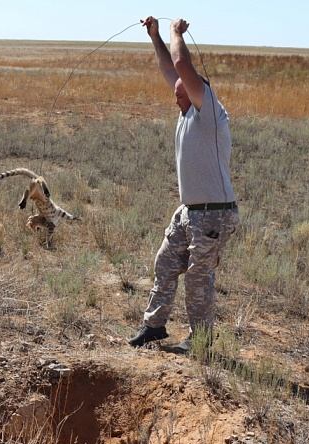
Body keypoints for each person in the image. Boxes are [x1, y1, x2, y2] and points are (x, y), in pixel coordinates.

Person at [128, 17, 239, 350]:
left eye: (181, 93)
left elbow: (180, 63)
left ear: (196, 92)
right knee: (165, 263)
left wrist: (177, 32)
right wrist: (156, 36)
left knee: (198, 278)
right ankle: (154, 327)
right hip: (190, 212)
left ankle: (200, 341)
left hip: (214, 215)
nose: (174, 98)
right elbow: (170, 69)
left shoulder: (209, 112)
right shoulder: (188, 110)